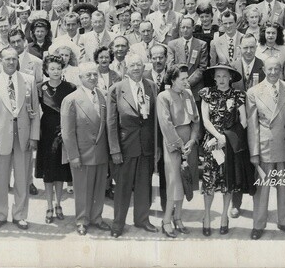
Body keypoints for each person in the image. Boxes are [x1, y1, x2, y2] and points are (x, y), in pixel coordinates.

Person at [0, 47, 42, 231]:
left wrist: (34, 136)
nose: (11, 62)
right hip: (1, 137)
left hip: (23, 136)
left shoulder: (29, 80)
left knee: (22, 178)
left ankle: (20, 215)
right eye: (7, 59)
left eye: (14, 59)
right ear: (0, 61)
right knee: (0, 178)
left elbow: (35, 111)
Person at [197, 65, 255, 236]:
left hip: (229, 145)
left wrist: (226, 138)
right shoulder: (207, 93)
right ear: (214, 78)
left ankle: (224, 217)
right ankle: (206, 216)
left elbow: (243, 122)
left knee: (227, 183)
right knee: (209, 182)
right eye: (218, 76)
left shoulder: (238, 95)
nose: (221, 79)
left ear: (230, 78)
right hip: (212, 144)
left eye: (225, 76)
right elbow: (205, 120)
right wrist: (217, 136)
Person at [247, 59, 285, 239]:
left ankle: (284, 221)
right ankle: (258, 224)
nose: (273, 72)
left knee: (283, 187)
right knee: (263, 188)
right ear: (263, 69)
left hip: (284, 145)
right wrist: (254, 153)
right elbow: (252, 125)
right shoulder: (253, 92)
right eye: (270, 68)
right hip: (264, 146)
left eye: (276, 68)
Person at [107, 53, 158, 236]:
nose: (136, 68)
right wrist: (115, 150)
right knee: (122, 187)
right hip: (125, 146)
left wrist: (156, 147)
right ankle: (118, 223)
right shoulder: (116, 89)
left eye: (139, 65)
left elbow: (154, 120)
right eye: (132, 65)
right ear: (126, 68)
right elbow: (111, 122)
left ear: (144, 67)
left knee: (144, 185)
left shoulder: (152, 87)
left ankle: (142, 219)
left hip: (146, 146)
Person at [61, 63, 113, 236]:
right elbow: (67, 132)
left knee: (99, 188)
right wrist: (73, 155)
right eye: (88, 75)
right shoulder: (71, 99)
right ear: (80, 78)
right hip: (82, 153)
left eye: (94, 74)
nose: (92, 78)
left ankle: (97, 218)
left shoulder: (104, 96)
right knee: (83, 188)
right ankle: (82, 220)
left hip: (101, 151)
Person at [156, 65, 201, 238]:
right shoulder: (164, 97)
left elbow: (196, 120)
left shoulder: (189, 94)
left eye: (186, 78)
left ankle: (178, 217)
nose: (186, 81)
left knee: (184, 181)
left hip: (188, 145)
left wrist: (192, 140)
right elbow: (165, 124)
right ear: (173, 80)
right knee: (173, 182)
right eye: (182, 78)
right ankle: (166, 220)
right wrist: (180, 145)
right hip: (173, 145)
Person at [35, 54, 76, 225]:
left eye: (58, 68)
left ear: (63, 69)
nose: (55, 71)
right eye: (52, 68)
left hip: (63, 131)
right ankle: (49, 206)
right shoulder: (39, 88)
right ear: (46, 70)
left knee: (60, 171)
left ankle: (59, 205)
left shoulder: (70, 87)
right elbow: (34, 110)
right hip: (46, 132)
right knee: (48, 173)